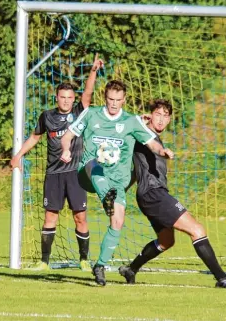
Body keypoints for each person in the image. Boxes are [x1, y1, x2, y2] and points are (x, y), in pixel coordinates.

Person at [119, 99, 226, 289]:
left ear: (169, 119)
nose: (161, 120)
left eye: (165, 116)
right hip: (154, 194)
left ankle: (131, 269)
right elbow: (128, 126)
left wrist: (122, 191)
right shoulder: (143, 134)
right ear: (150, 115)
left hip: (148, 195)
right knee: (197, 230)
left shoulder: (150, 135)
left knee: (166, 241)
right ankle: (222, 278)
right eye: (157, 114)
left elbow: (136, 172)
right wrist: (141, 123)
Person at [60, 80, 174, 285]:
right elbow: (68, 135)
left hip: (116, 182)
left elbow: (151, 143)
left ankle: (100, 265)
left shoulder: (131, 121)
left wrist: (162, 151)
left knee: (118, 221)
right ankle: (107, 198)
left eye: (118, 100)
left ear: (124, 100)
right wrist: (66, 149)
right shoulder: (91, 114)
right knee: (97, 162)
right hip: (89, 172)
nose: (113, 104)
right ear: (105, 98)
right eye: (110, 99)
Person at [10, 55, 104, 271]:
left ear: (73, 99)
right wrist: (18, 155)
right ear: (56, 98)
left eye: (70, 97)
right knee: (50, 216)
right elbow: (35, 137)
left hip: (76, 175)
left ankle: (83, 259)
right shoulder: (46, 116)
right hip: (53, 174)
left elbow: (88, 94)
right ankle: (44, 261)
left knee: (80, 217)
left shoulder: (80, 112)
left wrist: (93, 71)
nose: (66, 101)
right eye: (62, 97)